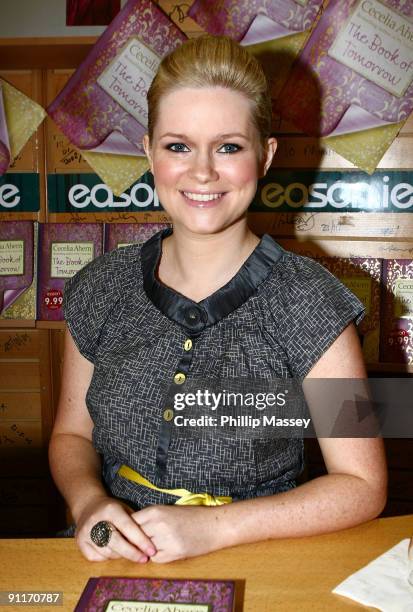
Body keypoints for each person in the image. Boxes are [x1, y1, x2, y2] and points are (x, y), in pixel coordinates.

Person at [49, 35, 387, 564]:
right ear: (148, 152)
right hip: (110, 562)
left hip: (259, 561)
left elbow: (362, 483)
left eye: (228, 146)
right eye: (178, 145)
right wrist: (89, 502)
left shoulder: (315, 305)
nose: (202, 171)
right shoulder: (99, 288)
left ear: (265, 155)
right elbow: (71, 434)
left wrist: (216, 528)